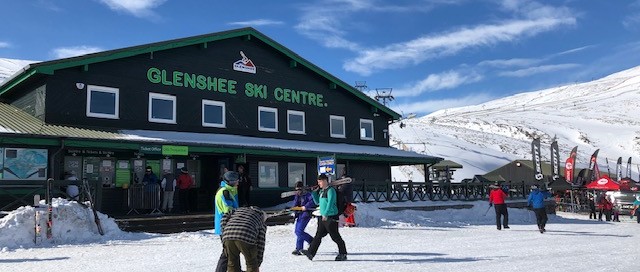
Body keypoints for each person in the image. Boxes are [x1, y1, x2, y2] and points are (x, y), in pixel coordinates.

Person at [304, 174, 348, 261]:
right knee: (318, 236)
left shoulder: (331, 190)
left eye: (320, 181)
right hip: (322, 217)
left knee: (335, 236)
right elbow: (318, 203)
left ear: (324, 181)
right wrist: (313, 193)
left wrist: (326, 214)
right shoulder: (322, 191)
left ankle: (343, 253)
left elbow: (331, 203)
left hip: (330, 217)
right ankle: (311, 253)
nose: (319, 183)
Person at [221, 206, 267, 272]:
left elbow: (225, 215)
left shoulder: (238, 210)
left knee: (232, 263)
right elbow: (261, 244)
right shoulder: (261, 221)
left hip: (228, 236)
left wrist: (225, 230)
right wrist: (257, 263)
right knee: (251, 264)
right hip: (246, 236)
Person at [215, 171, 240, 272]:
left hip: (230, 225)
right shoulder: (225, 192)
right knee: (228, 252)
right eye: (236, 181)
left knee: (234, 249)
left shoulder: (230, 190)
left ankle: (237, 269)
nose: (238, 182)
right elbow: (229, 210)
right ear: (231, 181)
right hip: (225, 226)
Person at [291, 181, 315, 256]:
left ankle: (311, 241)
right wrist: (294, 210)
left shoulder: (307, 194)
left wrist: (305, 207)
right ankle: (299, 248)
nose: (298, 191)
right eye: (297, 189)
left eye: (299, 189)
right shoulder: (297, 195)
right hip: (299, 215)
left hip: (306, 214)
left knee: (299, 231)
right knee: (297, 231)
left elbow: (312, 202)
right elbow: (295, 204)